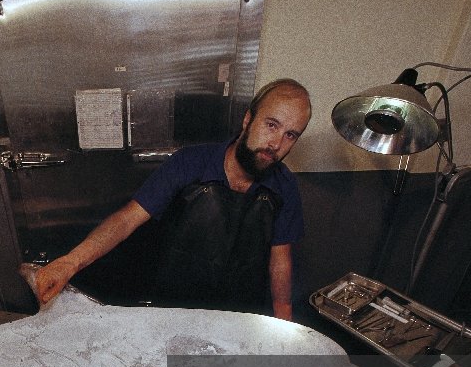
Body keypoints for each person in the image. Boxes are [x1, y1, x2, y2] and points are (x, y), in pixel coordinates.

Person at [35, 79, 312, 321]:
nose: (276, 143)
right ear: (248, 119)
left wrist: (283, 327)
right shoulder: (189, 163)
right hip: (174, 309)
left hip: (240, 316)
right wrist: (71, 261)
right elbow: (127, 219)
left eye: (290, 135)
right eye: (271, 125)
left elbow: (280, 261)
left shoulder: (284, 185)